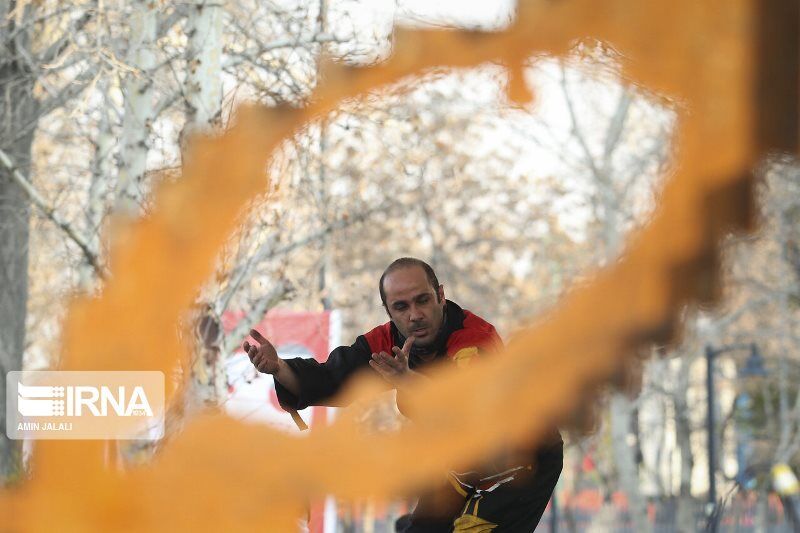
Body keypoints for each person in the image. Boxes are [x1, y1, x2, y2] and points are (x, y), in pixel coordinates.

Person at [242, 257, 562, 532]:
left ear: (440, 295)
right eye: (401, 307)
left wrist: (408, 381)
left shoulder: (474, 340)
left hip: (520, 460)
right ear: (389, 310)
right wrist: (279, 367)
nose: (414, 315)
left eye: (422, 300)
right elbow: (332, 378)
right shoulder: (387, 341)